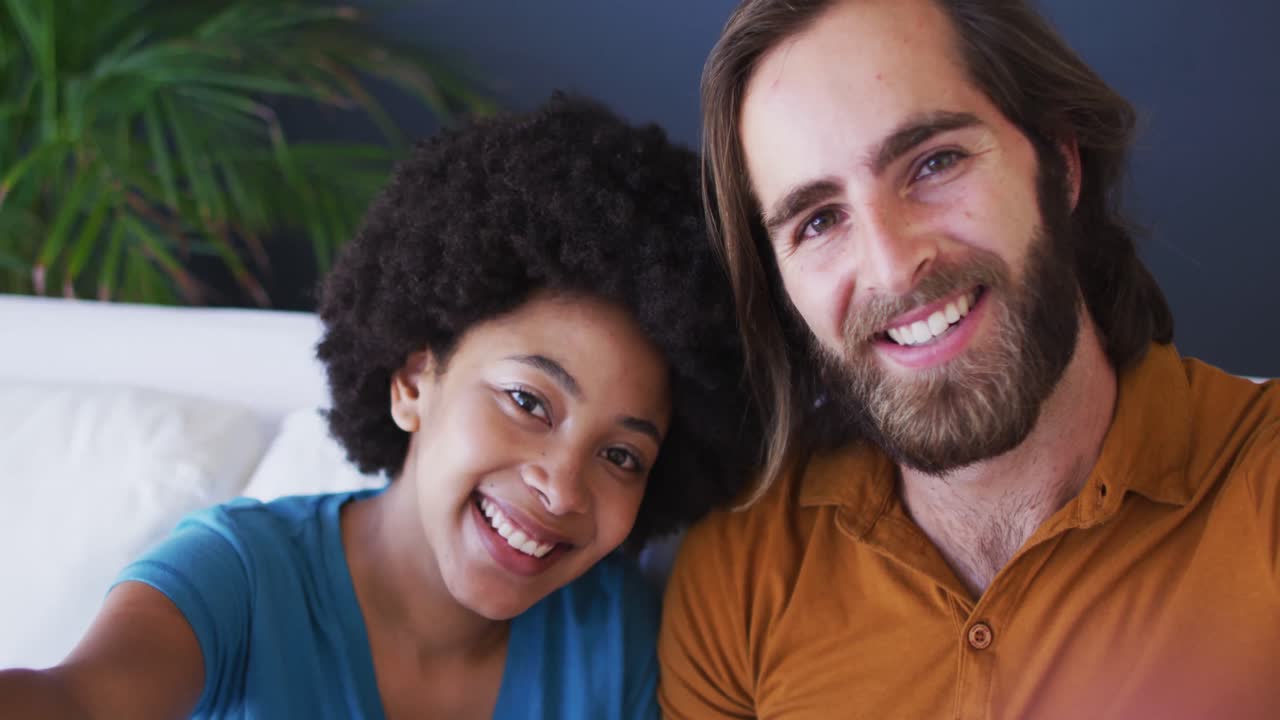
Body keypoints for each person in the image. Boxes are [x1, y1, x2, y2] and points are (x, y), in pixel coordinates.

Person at [0, 94, 757, 719]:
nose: (563, 486)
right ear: (412, 380)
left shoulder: (612, 640)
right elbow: (80, 699)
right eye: (529, 401)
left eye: (621, 455)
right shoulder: (238, 575)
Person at [659, 0, 1280, 718]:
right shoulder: (740, 575)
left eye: (934, 162)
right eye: (819, 221)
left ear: (1061, 162)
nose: (892, 268)